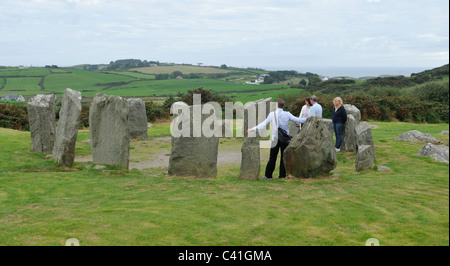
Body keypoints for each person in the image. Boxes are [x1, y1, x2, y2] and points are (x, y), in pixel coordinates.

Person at [247, 98, 306, 179]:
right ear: (282, 106)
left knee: (272, 157)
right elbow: (298, 120)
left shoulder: (272, 114)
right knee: (283, 157)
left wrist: (253, 129)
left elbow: (264, 124)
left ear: (276, 105)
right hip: (285, 139)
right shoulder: (287, 114)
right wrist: (310, 118)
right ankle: (282, 175)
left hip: (275, 138)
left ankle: (268, 175)